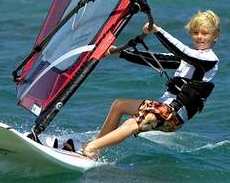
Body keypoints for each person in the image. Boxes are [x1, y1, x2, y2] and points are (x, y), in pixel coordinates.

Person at [82, 10, 221, 160]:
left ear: (215, 36)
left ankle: (91, 147)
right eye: (195, 32)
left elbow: (183, 52)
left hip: (174, 116)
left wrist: (158, 30)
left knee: (133, 122)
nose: (199, 37)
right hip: (165, 109)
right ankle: (96, 150)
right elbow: (155, 58)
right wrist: (120, 53)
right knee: (119, 105)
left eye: (205, 33)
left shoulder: (209, 60)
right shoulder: (187, 58)